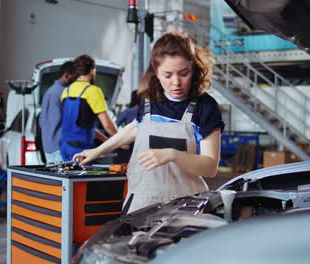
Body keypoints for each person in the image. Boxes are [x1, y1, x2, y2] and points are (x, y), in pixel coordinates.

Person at [73, 32, 224, 213]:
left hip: (186, 205)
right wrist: (97, 151)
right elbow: (137, 128)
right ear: (156, 72)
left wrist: (172, 155)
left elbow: (209, 167)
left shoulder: (205, 106)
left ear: (194, 69)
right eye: (167, 75)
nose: (176, 82)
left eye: (184, 73)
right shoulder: (148, 100)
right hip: (141, 202)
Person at [60, 54, 118, 161]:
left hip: (65, 148)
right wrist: (120, 139)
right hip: (82, 150)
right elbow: (107, 125)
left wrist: (104, 139)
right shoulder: (93, 91)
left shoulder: (66, 91)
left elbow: (82, 124)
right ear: (92, 70)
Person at [39, 61, 77, 163]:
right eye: (74, 78)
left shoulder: (49, 91)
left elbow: (42, 120)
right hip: (59, 148)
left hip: (48, 146)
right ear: (67, 75)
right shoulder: (64, 93)